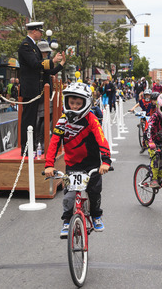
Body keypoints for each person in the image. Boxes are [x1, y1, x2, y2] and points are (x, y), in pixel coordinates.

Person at [43, 82, 111, 238]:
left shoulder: (92, 119)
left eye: (78, 103)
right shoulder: (62, 121)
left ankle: (95, 215)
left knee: (94, 192)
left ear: (85, 103)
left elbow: (102, 140)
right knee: (69, 195)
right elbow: (54, 143)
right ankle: (67, 220)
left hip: (92, 164)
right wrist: (49, 165)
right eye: (71, 103)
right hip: (73, 164)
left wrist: (106, 161)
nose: (74, 106)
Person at [18, 21, 63, 156]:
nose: (41, 34)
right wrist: (53, 61)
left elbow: (43, 69)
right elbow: (34, 64)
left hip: (36, 89)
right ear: (34, 31)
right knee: (28, 119)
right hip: (31, 89)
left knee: (34, 120)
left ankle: (31, 146)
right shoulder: (26, 46)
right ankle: (26, 148)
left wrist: (58, 65)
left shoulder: (33, 46)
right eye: (40, 31)